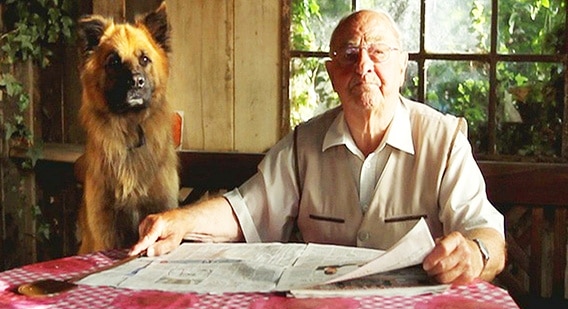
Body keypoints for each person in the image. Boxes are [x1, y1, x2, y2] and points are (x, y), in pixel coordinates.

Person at [130, 9, 506, 285]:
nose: (363, 67)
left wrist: (476, 254)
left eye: (378, 52)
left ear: (403, 66)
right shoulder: (304, 142)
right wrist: (179, 220)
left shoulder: (443, 139)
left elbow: (487, 234)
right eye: (349, 54)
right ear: (331, 72)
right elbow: (246, 210)